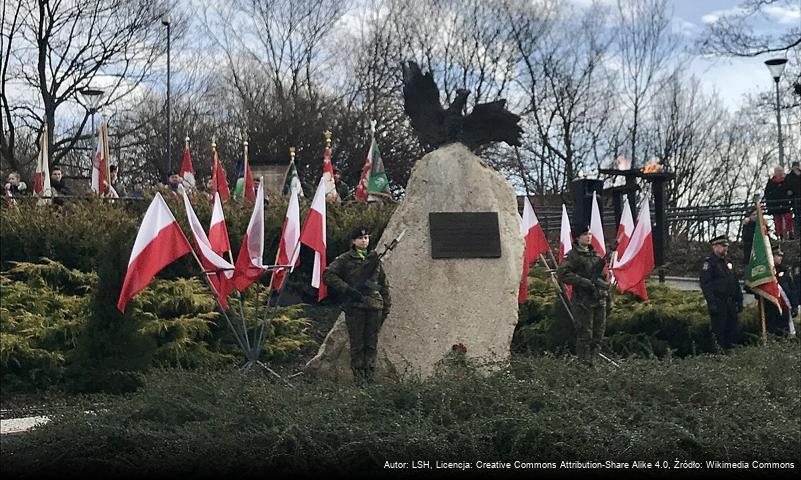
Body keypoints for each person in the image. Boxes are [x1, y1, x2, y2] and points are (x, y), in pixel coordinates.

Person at [323, 227, 391, 384]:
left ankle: (370, 377)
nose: (364, 241)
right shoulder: (345, 259)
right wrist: (347, 289)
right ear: (353, 241)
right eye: (360, 238)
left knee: (371, 344)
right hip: (355, 307)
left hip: (374, 306)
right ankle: (359, 380)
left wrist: (386, 305)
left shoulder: (374, 258)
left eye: (366, 238)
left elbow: (382, 283)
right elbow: (328, 275)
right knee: (357, 345)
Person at [556, 224, 612, 365]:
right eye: (585, 234)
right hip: (583, 302)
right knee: (585, 335)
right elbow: (563, 274)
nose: (589, 237)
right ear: (577, 237)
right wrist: (583, 281)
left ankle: (594, 363)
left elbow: (603, 275)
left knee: (598, 336)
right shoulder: (573, 256)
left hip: (599, 299)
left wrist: (605, 291)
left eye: (590, 234)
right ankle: (584, 367)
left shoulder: (596, 254)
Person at [700, 235, 743, 350]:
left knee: (732, 330)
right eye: (723, 246)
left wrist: (739, 300)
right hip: (719, 302)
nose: (725, 249)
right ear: (715, 247)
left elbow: (734, 281)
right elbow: (706, 284)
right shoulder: (709, 263)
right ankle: (719, 355)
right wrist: (711, 303)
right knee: (719, 331)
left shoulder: (727, 262)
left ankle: (732, 354)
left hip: (730, 303)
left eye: (726, 246)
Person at [772, 249, 799, 333]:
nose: (780, 258)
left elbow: (792, 289)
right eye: (778, 256)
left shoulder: (784, 271)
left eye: (781, 256)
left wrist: (794, 306)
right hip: (771, 307)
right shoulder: (767, 272)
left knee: (784, 330)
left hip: (784, 307)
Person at [763, 166, 794, 239]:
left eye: (780, 171)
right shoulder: (771, 182)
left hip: (785, 202)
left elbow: (790, 189)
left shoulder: (787, 180)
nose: (779, 173)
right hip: (775, 203)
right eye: (778, 171)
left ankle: (790, 232)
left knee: (788, 218)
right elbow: (767, 193)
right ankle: (780, 234)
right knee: (778, 220)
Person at [787, 161, 801, 237]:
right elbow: (788, 186)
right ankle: (797, 233)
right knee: (797, 216)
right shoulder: (790, 176)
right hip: (795, 198)